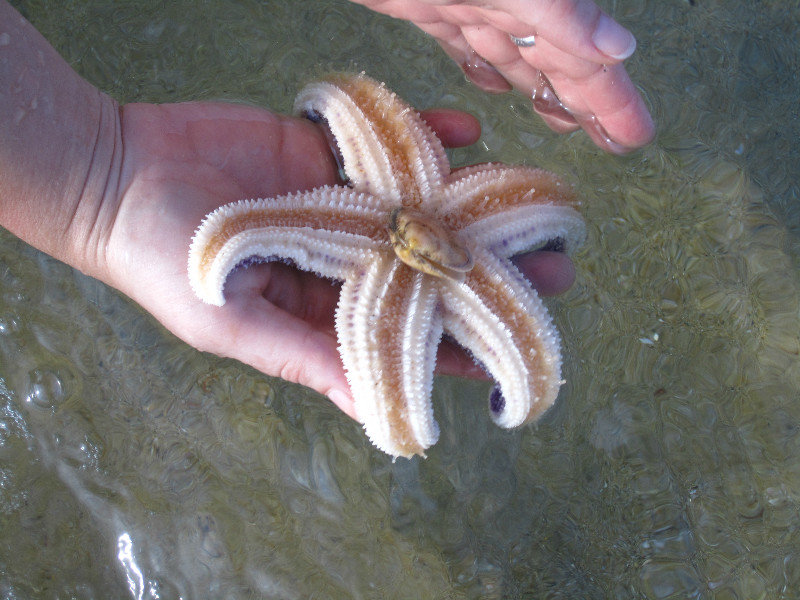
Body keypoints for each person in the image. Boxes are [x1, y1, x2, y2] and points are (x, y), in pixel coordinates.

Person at [0, 0, 653, 421]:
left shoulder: (406, 189)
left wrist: (105, 181)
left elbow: (342, 101)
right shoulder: (394, 194)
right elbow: (335, 112)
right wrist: (102, 189)